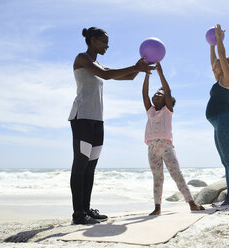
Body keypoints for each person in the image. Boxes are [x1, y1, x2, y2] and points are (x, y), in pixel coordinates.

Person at [69, 27, 155, 225]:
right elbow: (106, 75)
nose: (107, 45)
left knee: (90, 167)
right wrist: (136, 67)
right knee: (80, 166)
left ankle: (87, 209)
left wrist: (138, 67)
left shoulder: (98, 64)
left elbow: (125, 76)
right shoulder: (82, 59)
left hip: (98, 120)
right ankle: (78, 213)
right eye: (103, 41)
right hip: (81, 118)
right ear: (92, 40)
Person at [142, 62, 205, 215]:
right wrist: (147, 75)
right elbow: (144, 94)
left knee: (177, 175)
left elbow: (168, 91)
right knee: (157, 178)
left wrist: (160, 73)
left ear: (166, 100)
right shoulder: (150, 111)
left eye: (160, 93)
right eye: (156, 92)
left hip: (166, 147)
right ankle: (157, 208)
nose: (157, 94)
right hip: (152, 148)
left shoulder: (167, 110)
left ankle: (191, 203)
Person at [206, 24, 229, 209]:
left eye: (217, 64)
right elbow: (214, 58)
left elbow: (221, 56)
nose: (213, 66)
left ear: (224, 66)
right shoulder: (218, 81)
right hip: (218, 123)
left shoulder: (228, 79)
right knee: (224, 161)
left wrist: (218, 39)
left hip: (225, 121)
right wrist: (210, 44)